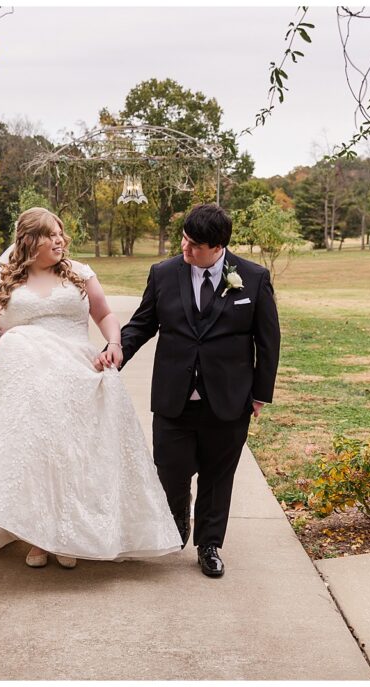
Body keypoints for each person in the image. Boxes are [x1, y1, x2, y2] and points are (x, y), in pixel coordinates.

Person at [0, 207, 182, 569]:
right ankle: (39, 538)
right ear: (29, 241)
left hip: (76, 375)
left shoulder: (80, 274)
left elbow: (104, 315)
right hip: (28, 382)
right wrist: (14, 343)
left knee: (74, 454)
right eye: (51, 234)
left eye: (60, 233)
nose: (59, 240)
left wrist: (114, 343)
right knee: (38, 453)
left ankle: (70, 536)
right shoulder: (2, 280)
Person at [120, 203, 280, 578]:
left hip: (228, 398)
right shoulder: (163, 274)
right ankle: (177, 523)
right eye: (184, 240)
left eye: (195, 245)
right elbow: (142, 324)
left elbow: (268, 340)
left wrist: (259, 393)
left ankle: (209, 545)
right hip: (174, 396)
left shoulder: (253, 278)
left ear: (218, 246)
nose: (186, 249)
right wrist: (117, 352)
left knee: (217, 476)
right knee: (171, 472)